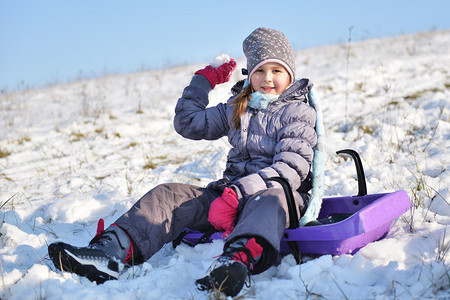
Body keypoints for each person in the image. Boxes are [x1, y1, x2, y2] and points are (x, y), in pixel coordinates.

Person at [48, 27, 317, 297]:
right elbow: (188, 123)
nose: (267, 78)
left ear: (290, 75)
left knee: (269, 198)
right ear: (250, 74)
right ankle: (108, 254)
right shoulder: (238, 107)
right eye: (259, 71)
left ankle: (235, 263)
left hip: (276, 200)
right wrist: (203, 81)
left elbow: (290, 169)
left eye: (276, 71)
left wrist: (239, 193)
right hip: (227, 200)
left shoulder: (298, 113)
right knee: (169, 194)